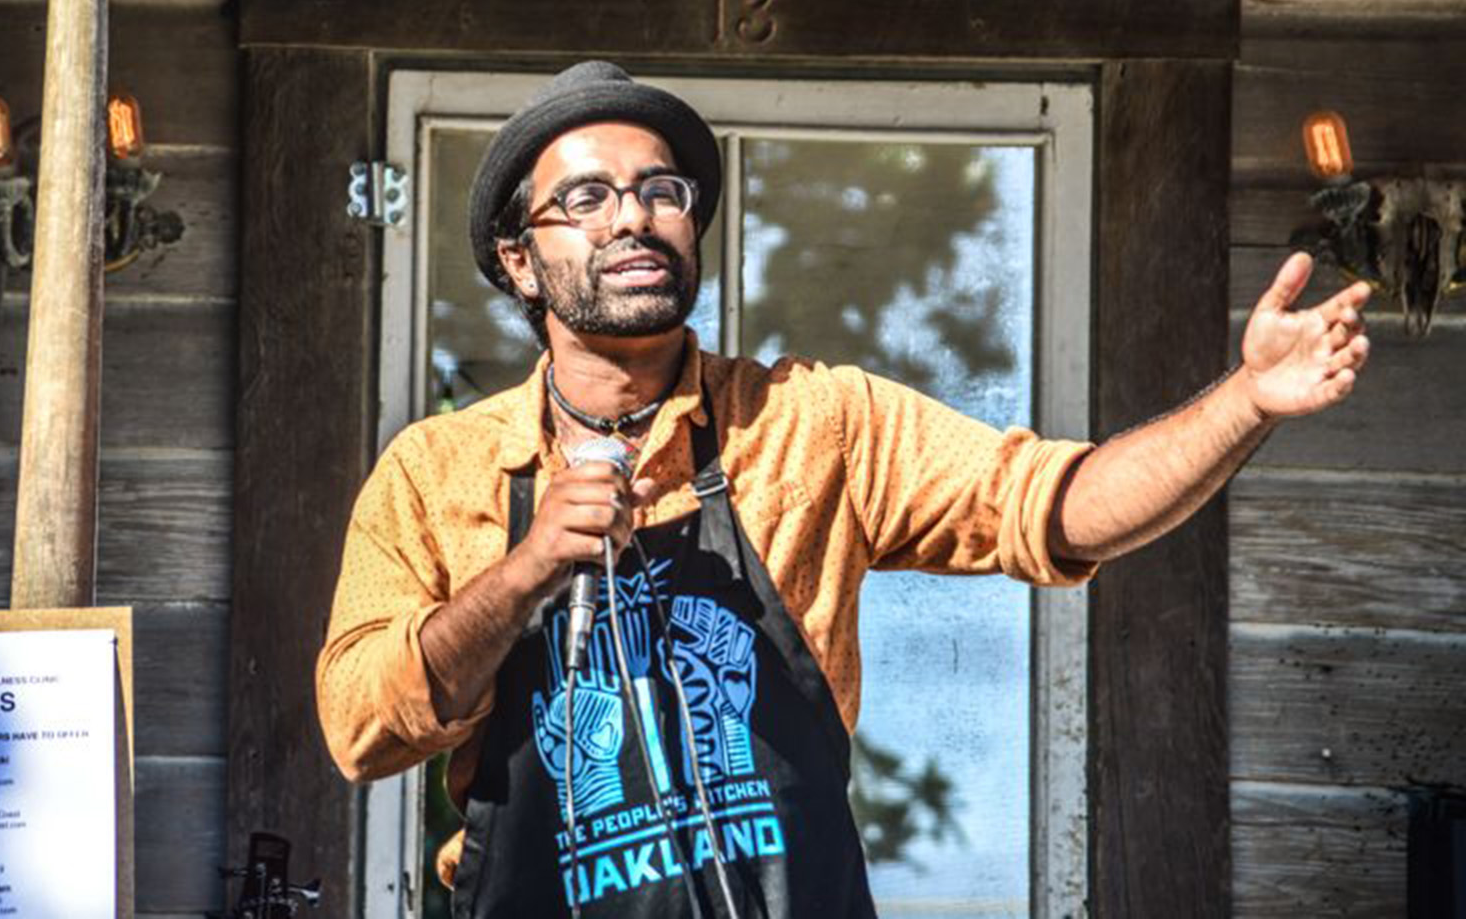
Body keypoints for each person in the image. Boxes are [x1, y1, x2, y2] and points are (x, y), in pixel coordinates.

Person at [315, 61, 1370, 918]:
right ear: (516, 259)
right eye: (584, 197)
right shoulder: (434, 468)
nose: (632, 216)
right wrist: (523, 574)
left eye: (662, 190)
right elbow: (360, 726)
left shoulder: (817, 422)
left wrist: (1245, 401)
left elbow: (1058, 503)